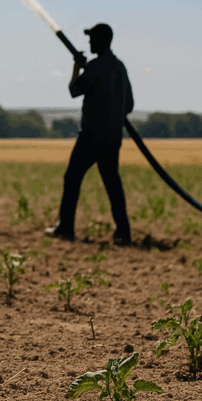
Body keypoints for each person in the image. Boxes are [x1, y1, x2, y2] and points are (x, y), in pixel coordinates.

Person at [45, 22, 135, 245]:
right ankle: (123, 233)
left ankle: (65, 228)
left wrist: (77, 67)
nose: (89, 42)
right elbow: (130, 104)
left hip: (91, 137)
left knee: (72, 178)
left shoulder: (95, 67)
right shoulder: (119, 67)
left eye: (92, 39)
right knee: (113, 185)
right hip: (113, 138)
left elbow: (74, 90)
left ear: (101, 41)